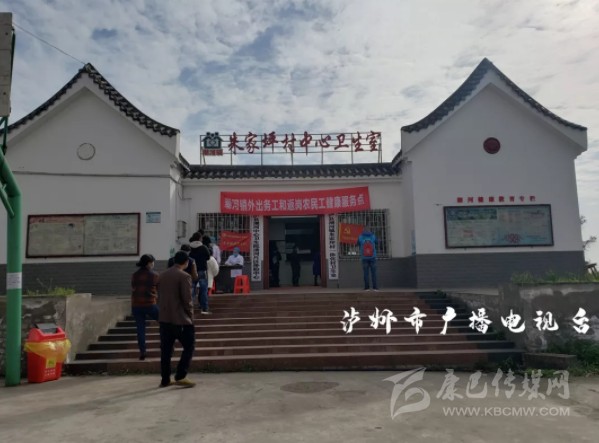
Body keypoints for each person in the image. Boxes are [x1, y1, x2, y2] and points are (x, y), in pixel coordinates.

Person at [157, 250, 196, 388]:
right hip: (180, 319)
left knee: (166, 351)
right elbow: (187, 300)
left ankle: (165, 379)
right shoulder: (184, 276)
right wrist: (190, 316)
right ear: (186, 262)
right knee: (189, 346)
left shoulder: (162, 275)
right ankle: (180, 375)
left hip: (164, 318)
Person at [131, 254, 159, 361]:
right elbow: (159, 289)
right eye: (152, 262)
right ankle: (166, 345)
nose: (153, 264)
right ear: (148, 263)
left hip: (136, 305)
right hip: (150, 304)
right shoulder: (154, 275)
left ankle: (142, 351)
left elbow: (133, 287)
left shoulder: (134, 275)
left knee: (140, 329)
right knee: (164, 321)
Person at [189, 233, 212, 314]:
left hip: (192, 271)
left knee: (192, 289)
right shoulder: (203, 247)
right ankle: (204, 308)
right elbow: (208, 257)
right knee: (203, 290)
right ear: (199, 238)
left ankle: (189, 307)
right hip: (202, 270)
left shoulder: (190, 247)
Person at [357, 225, 378, 291]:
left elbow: (358, 244)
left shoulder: (360, 237)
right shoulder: (373, 236)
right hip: (373, 257)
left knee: (366, 273)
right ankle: (375, 288)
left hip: (364, 257)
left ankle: (367, 288)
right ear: (369, 230)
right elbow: (377, 242)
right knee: (373, 273)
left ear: (363, 230)